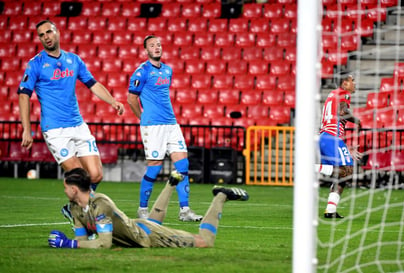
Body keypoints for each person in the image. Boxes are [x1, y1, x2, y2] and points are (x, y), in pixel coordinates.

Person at [18, 20, 125, 191]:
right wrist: (26, 129)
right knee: (80, 174)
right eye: (42, 35)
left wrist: (113, 101)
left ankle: (74, 207)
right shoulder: (35, 64)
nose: (46, 37)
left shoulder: (74, 60)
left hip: (78, 125)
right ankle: (85, 211)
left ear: (57, 32)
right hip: (54, 130)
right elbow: (24, 96)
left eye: (49, 32)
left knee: (96, 175)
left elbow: (93, 84)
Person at [48, 168, 249, 249]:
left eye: (65, 187)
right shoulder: (75, 208)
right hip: (138, 227)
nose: (64, 190)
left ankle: (221, 196)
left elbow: (104, 244)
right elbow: (83, 241)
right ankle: (171, 183)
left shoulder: (101, 204)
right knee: (149, 223)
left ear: (74, 189)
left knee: (205, 242)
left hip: (147, 235)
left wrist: (68, 244)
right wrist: (69, 243)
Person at [127, 35, 201, 221]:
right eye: (152, 45)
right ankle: (143, 209)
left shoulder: (167, 70)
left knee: (183, 165)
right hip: (153, 126)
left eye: (158, 44)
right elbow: (131, 98)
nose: (157, 47)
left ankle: (185, 211)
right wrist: (142, 117)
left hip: (171, 123)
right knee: (154, 167)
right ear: (146, 50)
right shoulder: (141, 72)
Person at [319, 73, 362, 219]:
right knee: (347, 170)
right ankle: (308, 168)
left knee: (342, 175)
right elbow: (342, 112)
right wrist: (357, 122)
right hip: (332, 137)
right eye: (352, 81)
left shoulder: (333, 94)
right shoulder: (344, 94)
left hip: (326, 137)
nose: (355, 83)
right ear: (344, 84)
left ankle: (330, 210)